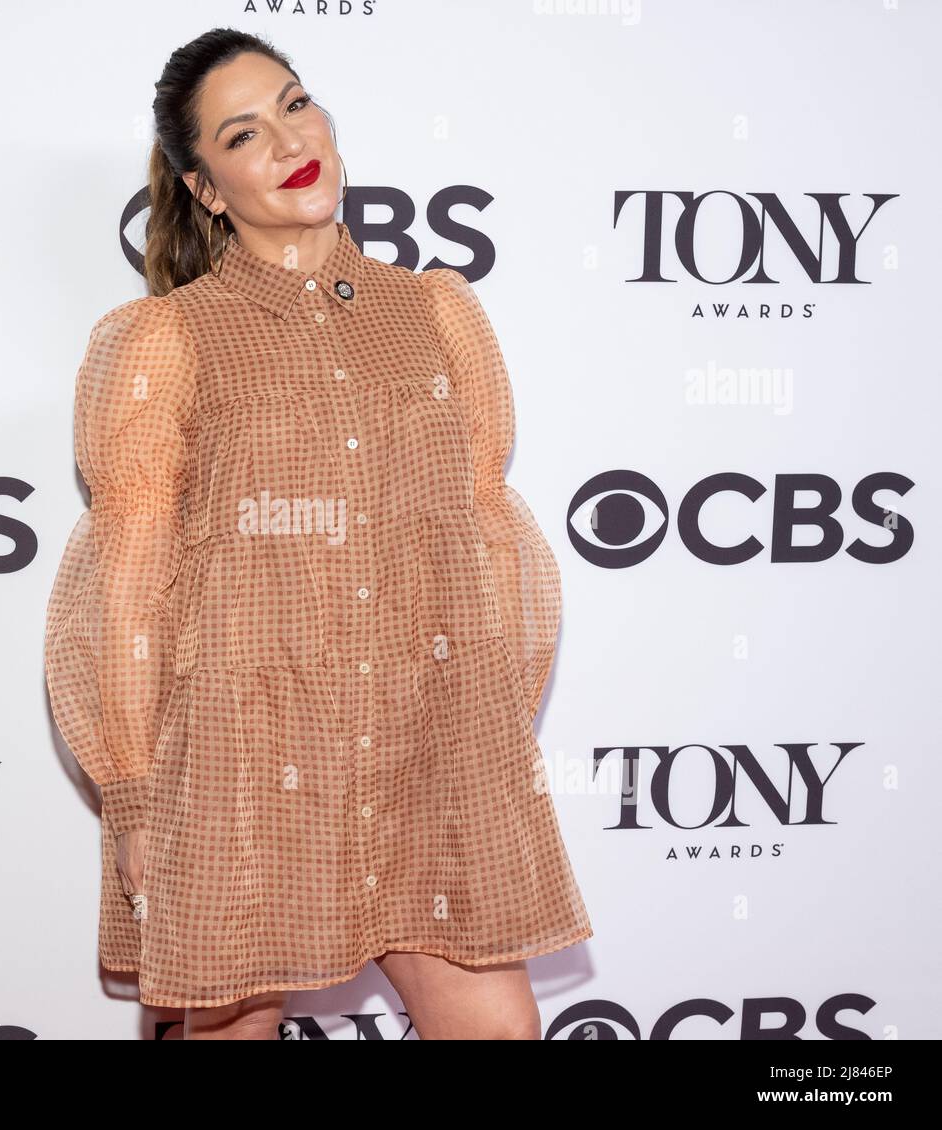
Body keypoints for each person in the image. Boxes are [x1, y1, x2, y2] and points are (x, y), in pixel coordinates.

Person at [43, 27, 593, 1040]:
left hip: (421, 740)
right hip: (235, 754)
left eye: (295, 103)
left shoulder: (436, 311)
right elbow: (123, 582)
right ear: (205, 187)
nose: (290, 139)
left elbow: (488, 534)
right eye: (243, 133)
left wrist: (481, 727)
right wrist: (130, 792)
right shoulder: (163, 340)